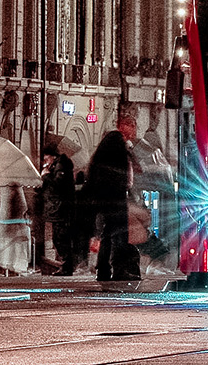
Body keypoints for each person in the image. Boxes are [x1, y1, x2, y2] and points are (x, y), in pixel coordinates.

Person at [86, 113, 140, 282]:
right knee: (118, 234)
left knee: (108, 233)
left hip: (106, 197)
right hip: (114, 197)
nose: (134, 130)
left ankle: (103, 269)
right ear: (123, 126)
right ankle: (118, 269)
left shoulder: (109, 143)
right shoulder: (116, 141)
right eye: (132, 126)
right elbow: (125, 171)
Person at [43, 152, 84, 275]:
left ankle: (67, 266)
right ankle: (67, 265)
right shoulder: (58, 166)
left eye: (46, 158)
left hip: (61, 209)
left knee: (60, 238)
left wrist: (45, 176)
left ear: (52, 156)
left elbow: (58, 185)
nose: (45, 161)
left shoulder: (61, 166)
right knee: (60, 238)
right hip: (59, 208)